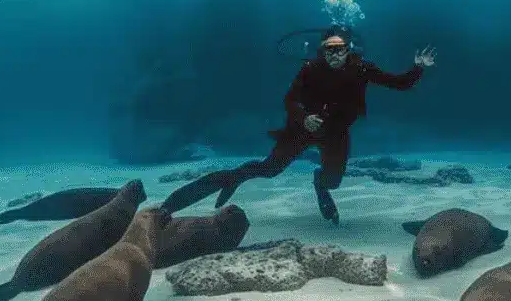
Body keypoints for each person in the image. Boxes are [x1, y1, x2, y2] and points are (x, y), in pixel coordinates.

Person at [161, 31, 437, 224]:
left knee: (333, 181)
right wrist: (304, 118)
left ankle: (320, 185)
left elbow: (399, 83)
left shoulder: (362, 69)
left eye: (339, 49)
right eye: (328, 50)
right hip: (302, 130)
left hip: (336, 133)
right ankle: (229, 178)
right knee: (269, 170)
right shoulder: (310, 70)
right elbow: (290, 99)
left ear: (348, 50)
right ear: (322, 50)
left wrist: (418, 68)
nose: (334, 55)